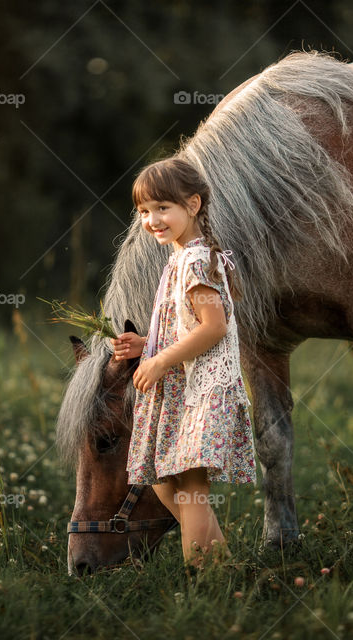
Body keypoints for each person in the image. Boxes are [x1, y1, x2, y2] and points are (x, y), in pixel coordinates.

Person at [110, 155, 256, 570]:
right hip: (183, 385)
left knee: (190, 489)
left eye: (162, 208)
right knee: (162, 483)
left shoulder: (195, 260)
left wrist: (158, 363)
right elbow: (186, 323)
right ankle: (221, 565)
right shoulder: (179, 258)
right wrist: (146, 345)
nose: (152, 220)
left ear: (192, 205)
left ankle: (203, 578)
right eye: (143, 211)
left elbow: (213, 327)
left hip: (202, 388)